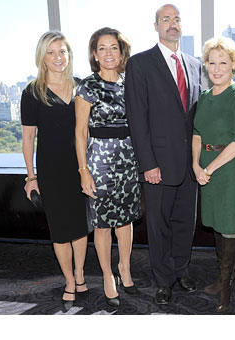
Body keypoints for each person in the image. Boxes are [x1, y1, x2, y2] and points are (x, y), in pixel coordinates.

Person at [125, 4, 202, 305]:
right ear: (155, 26)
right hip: (157, 164)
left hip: (188, 165)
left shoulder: (194, 65)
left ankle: (181, 269)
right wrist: (148, 164)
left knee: (186, 222)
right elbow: (137, 118)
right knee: (158, 226)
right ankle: (163, 280)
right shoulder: (140, 63)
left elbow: (195, 117)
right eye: (166, 19)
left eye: (177, 19)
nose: (172, 24)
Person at [21, 31, 89, 312]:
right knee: (60, 229)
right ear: (42, 57)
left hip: (80, 167)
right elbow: (27, 139)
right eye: (51, 52)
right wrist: (31, 177)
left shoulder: (82, 87)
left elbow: (88, 131)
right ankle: (70, 280)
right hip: (50, 169)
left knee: (80, 226)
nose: (58, 57)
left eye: (62, 51)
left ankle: (82, 274)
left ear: (69, 55)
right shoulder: (32, 92)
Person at [75, 27, 141, 308]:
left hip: (129, 159)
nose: (108, 53)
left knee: (125, 220)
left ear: (121, 51)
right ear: (94, 54)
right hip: (99, 161)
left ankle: (124, 268)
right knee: (102, 225)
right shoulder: (87, 86)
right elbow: (79, 132)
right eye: (102, 48)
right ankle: (107, 275)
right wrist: (83, 170)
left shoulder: (132, 82)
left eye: (113, 47)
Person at [193, 37, 235, 312]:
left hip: (228, 170)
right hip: (205, 168)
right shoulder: (204, 97)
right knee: (215, 222)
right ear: (206, 66)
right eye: (212, 62)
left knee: (229, 226)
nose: (217, 69)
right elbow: (196, 133)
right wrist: (196, 165)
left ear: (234, 66)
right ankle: (220, 279)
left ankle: (226, 290)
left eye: (223, 63)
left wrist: (208, 168)